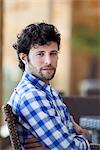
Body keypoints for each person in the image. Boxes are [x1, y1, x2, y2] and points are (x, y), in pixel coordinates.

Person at [8, 22, 91, 149]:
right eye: (40, 54)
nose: (48, 61)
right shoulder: (31, 96)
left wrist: (84, 135)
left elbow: (70, 138)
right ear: (24, 58)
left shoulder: (49, 92)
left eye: (53, 53)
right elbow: (70, 148)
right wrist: (85, 138)